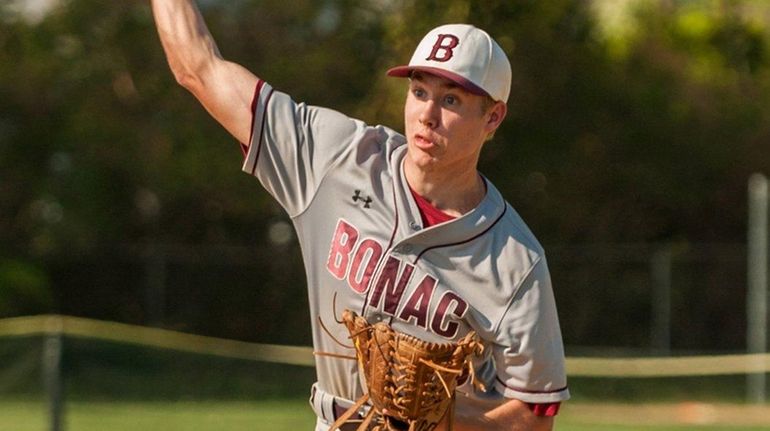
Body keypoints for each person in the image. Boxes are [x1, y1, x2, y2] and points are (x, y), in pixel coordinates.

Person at [150, 1, 570, 430]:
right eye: (419, 92)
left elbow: (532, 417)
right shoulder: (337, 157)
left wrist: (440, 413)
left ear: (493, 117)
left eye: (451, 100)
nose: (427, 115)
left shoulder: (516, 261)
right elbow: (197, 67)